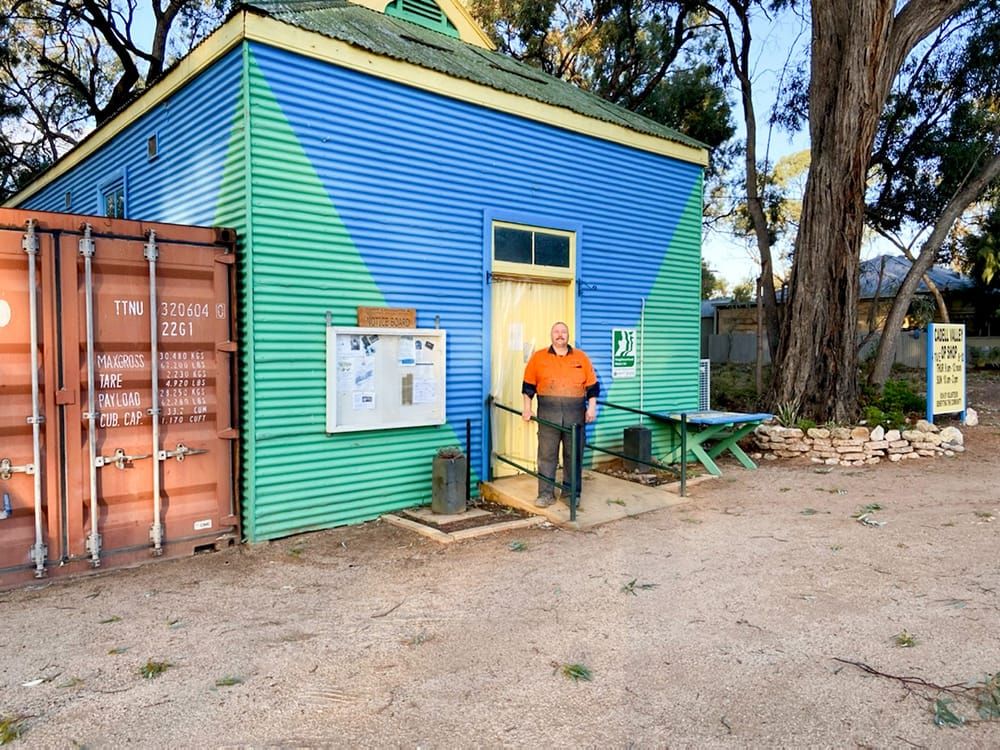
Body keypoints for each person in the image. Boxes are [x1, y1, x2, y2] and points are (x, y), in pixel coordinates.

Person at [521, 322, 599, 508]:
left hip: (576, 414)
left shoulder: (581, 357)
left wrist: (591, 408)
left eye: (563, 332)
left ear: (568, 335)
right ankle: (545, 494)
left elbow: (592, 387)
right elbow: (528, 386)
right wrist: (527, 408)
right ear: (551, 335)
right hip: (548, 414)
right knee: (546, 455)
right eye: (556, 331)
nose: (560, 335)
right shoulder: (538, 357)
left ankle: (571, 494)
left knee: (574, 455)